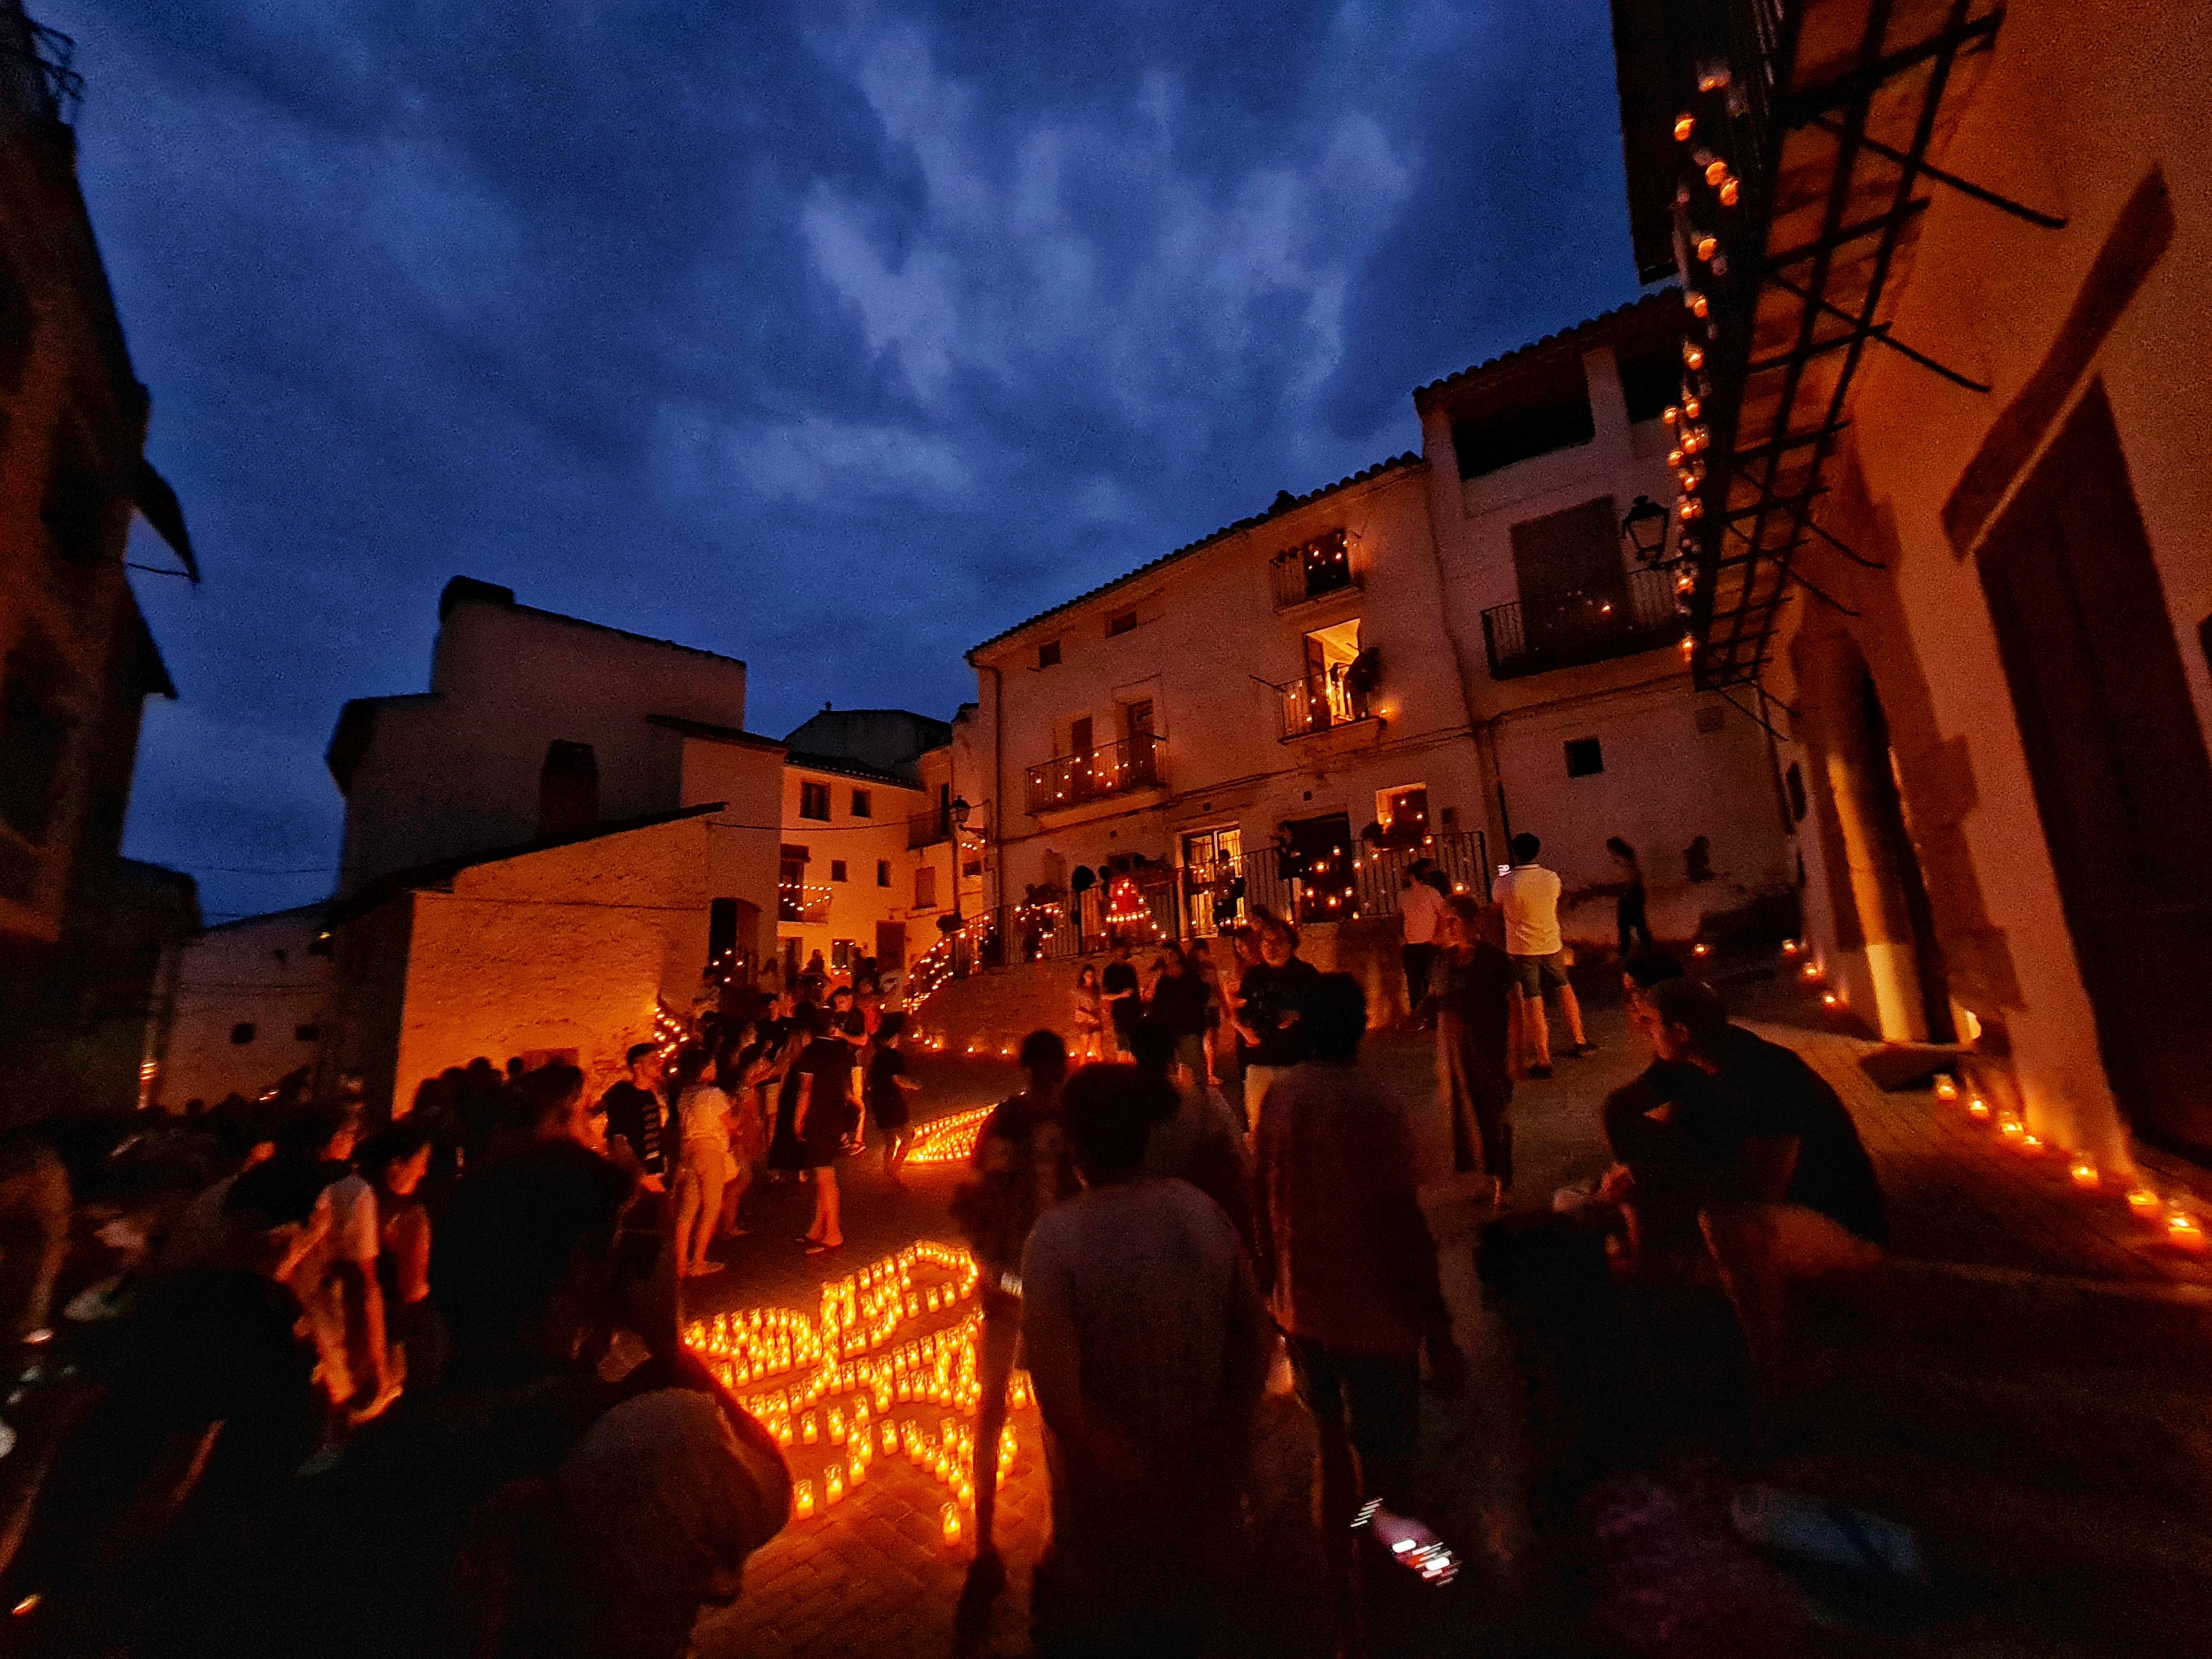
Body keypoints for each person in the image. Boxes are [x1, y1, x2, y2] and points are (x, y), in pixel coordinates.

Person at [158, 1142, 790, 1659]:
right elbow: (769, 1491)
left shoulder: (366, 1464)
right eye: (614, 1245)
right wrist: (667, 1343)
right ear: (579, 1265)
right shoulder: (648, 1439)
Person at [6, 1157, 328, 1653]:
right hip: (163, 1547)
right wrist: (116, 1567)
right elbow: (186, 1453)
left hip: (116, 1525)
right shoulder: (250, 1315)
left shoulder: (186, 1292)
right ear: (286, 1232)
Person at [1021, 1063, 1271, 1658]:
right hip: (1202, 1497)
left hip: (1103, 1524)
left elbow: (1057, 1393)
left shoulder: (1055, 1241)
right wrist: (1226, 1437)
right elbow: (1254, 1334)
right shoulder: (1197, 1212)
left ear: (1074, 1145)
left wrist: (1128, 1472)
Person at [1251, 973, 1464, 1655]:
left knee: (1332, 1461)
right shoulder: (1377, 1104)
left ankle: (1346, 1612)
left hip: (1304, 1310)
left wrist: (1271, 1293)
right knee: (1386, 1478)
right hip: (1374, 1319)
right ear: (1362, 1026)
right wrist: (1438, 1328)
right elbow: (1403, 1222)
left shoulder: (1281, 1099)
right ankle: (1381, 1621)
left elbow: (1260, 1201)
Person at [1628, 978, 1887, 1407]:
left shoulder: (1763, 1076)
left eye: (1651, 1023)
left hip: (1838, 1223)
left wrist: (1662, 1180)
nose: (1643, 1031)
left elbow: (1765, 1185)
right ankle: (1672, 1348)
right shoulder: (1710, 1063)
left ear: (1681, 1032)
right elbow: (1662, 1129)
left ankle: (1772, 1376)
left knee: (1726, 1226)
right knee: (1623, 1211)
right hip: (1788, 1212)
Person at [951, 1031, 1076, 1620]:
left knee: (1025, 1408)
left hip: (1028, 1278)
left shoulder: (1049, 1124)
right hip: (1024, 1279)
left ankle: (1033, 1543)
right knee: (1015, 1406)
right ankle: (994, 1542)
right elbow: (979, 1196)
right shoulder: (1031, 1123)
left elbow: (977, 1195)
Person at [1420, 896, 1519, 1198]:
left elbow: (1515, 1005)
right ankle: (1486, 1178)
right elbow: (1434, 996)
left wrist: (1516, 1054)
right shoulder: (1442, 962)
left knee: (1493, 1113)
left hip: (1487, 1050)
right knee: (1467, 1118)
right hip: (1454, 1053)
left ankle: (1503, 1182)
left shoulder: (1494, 959)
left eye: (1455, 920)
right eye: (1445, 920)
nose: (1449, 927)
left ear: (1472, 922)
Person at [1129, 1019, 1251, 1250]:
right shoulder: (1205, 1103)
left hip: (1145, 1233)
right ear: (1174, 1056)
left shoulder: (1122, 1114)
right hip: (1201, 1229)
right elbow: (1239, 1162)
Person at [1493, 832, 1590, 1078]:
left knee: (1533, 1000)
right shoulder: (1551, 878)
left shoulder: (1506, 880)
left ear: (1515, 854)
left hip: (1523, 948)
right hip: (1551, 942)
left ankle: (1544, 1058)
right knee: (1564, 987)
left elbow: (1497, 905)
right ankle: (1580, 1039)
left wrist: (1505, 872)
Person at [357, 1123, 440, 1394]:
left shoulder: (344, 1199)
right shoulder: (407, 1216)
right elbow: (413, 1292)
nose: (425, 1172)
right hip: (386, 1339)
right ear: (396, 1165)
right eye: (421, 1162)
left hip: (334, 1335)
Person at [1232, 908, 1320, 1140]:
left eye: (1277, 941)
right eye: (1265, 942)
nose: (1270, 948)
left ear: (1290, 944)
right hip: (1260, 1063)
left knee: (1299, 1130)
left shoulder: (1306, 974)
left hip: (1296, 1064)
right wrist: (1243, 1029)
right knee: (1260, 1130)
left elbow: (1325, 1012)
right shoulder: (1254, 976)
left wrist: (1299, 1015)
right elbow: (1242, 1014)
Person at [790, 1007, 859, 1253]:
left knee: (825, 1177)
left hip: (818, 1117)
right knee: (825, 1174)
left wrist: (797, 1121)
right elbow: (847, 1087)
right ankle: (817, 1228)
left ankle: (833, 1233)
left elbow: (805, 1092)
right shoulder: (839, 1049)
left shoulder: (810, 1054)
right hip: (836, 1114)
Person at [671, 1045, 736, 1277]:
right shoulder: (713, 1095)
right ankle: (698, 1262)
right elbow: (731, 1124)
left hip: (689, 1153)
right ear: (703, 1069)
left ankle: (680, 1264)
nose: (715, 1067)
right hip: (710, 1152)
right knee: (711, 1208)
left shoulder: (685, 1096)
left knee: (688, 1210)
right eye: (711, 1064)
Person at [595, 1043, 669, 1178]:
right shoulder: (623, 1094)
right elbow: (618, 1137)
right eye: (653, 1061)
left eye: (659, 1060)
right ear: (637, 1067)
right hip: (634, 1172)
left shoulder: (651, 1095)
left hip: (655, 1168)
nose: (659, 1065)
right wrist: (636, 1172)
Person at [865, 1011, 921, 1188]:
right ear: (892, 1039)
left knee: (890, 1142)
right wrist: (914, 1085)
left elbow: (871, 1081)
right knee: (909, 1136)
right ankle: (894, 1169)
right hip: (893, 1104)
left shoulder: (877, 1058)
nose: (898, 1039)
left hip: (879, 1104)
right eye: (896, 1037)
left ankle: (888, 1169)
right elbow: (897, 1079)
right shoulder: (894, 1056)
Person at [1145, 944, 1211, 1083]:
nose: (1169, 957)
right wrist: (1157, 977)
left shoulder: (1190, 975)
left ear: (1178, 955)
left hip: (1189, 1027)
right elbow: (1148, 997)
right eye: (1166, 954)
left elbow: (1203, 997)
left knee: (1194, 1065)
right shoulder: (1160, 977)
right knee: (1170, 1070)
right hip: (1166, 1029)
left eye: (1172, 953)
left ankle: (1200, 1094)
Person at [1397, 860, 1449, 1025]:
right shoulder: (1405, 895)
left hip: (1427, 943)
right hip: (1413, 944)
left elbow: (1442, 915)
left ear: (1412, 877)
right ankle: (1420, 1018)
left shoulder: (1430, 893)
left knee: (1427, 982)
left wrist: (1438, 936)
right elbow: (1401, 918)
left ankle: (1430, 1018)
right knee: (1415, 983)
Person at [1606, 837, 1653, 956]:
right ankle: (1647, 948)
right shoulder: (1630, 858)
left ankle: (1626, 951)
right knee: (1638, 924)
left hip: (1630, 893)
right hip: (1634, 892)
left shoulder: (1622, 861)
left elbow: (1626, 879)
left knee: (1627, 924)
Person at [1100, 943, 1142, 1056]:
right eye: (1120, 951)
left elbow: (1136, 989)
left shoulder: (1130, 969)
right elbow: (1104, 995)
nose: (1123, 953)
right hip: (1120, 1014)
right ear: (1114, 952)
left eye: (1124, 951)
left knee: (1135, 1045)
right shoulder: (1109, 971)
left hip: (1135, 1012)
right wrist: (1120, 995)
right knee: (1122, 1046)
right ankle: (1123, 1070)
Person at [1070, 963, 1106, 1062]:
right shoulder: (1080, 990)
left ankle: (1103, 1071)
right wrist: (1089, 1016)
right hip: (1084, 1021)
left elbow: (1101, 1000)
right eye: (1089, 975)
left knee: (1099, 1048)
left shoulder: (1097, 990)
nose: (1091, 978)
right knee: (1084, 1048)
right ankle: (1082, 1070)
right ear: (1084, 976)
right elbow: (1077, 1008)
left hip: (1096, 1020)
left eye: (1093, 975)